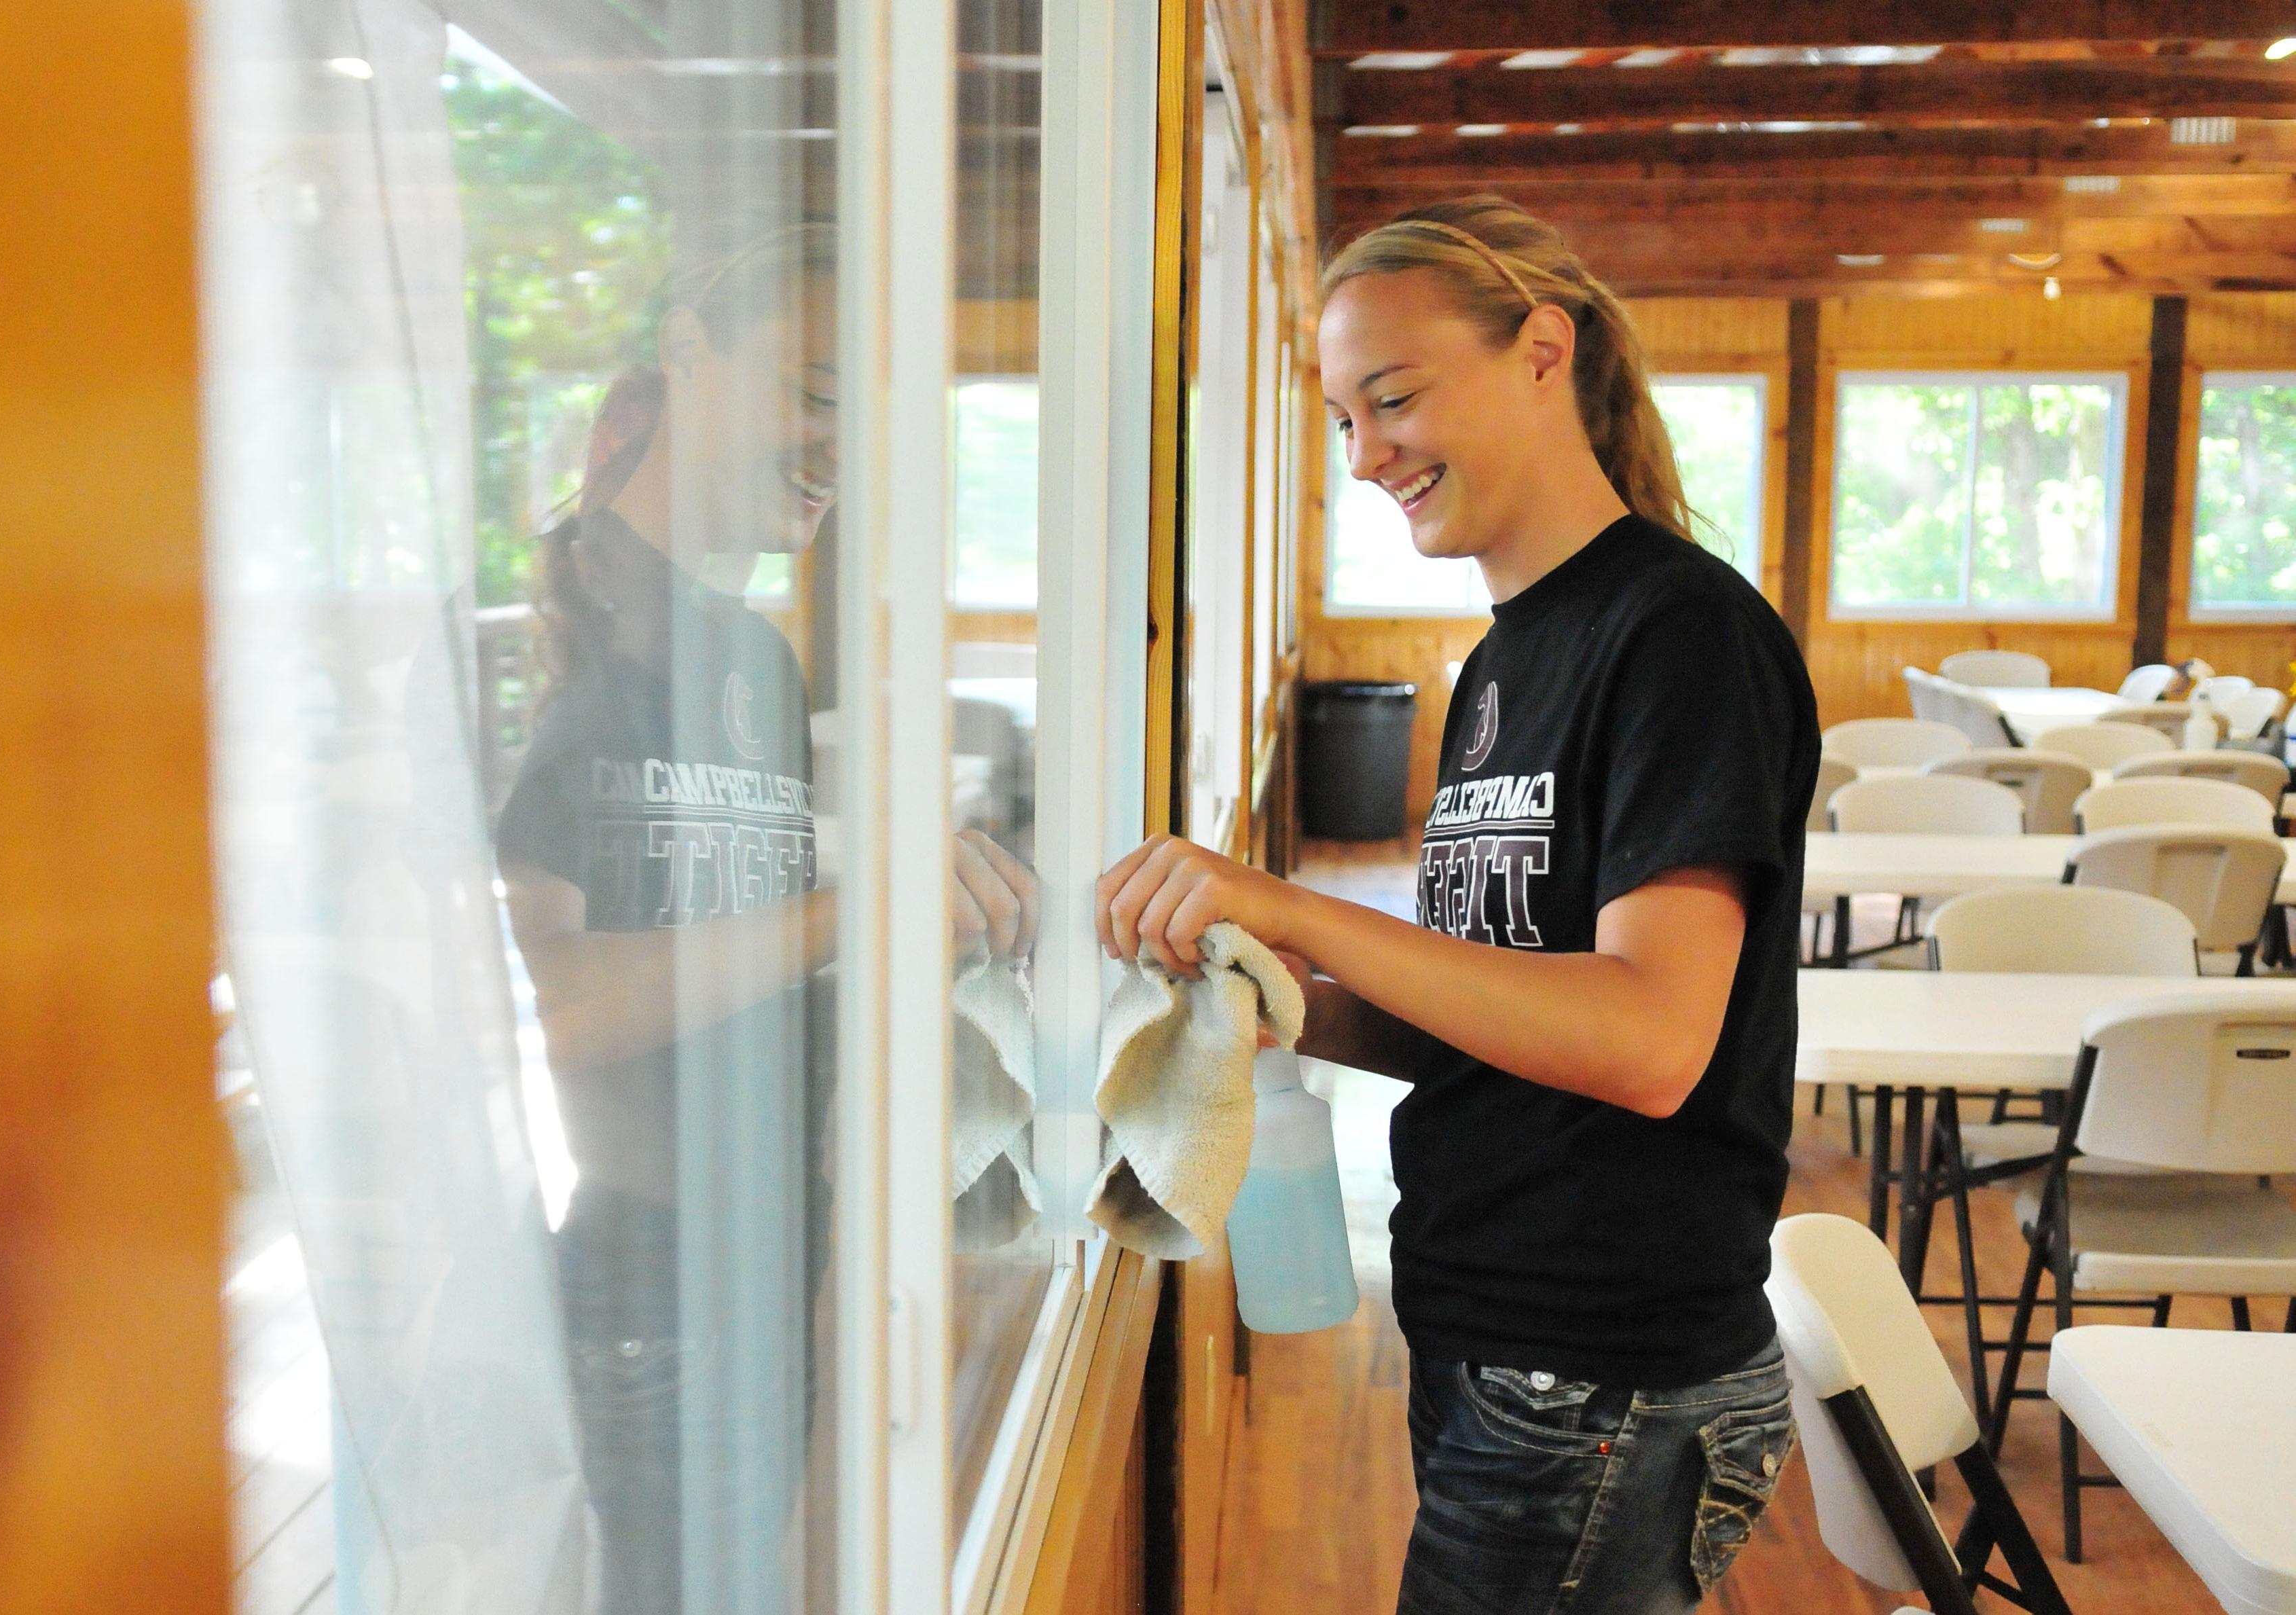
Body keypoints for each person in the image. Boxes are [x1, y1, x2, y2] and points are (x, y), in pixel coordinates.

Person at [1096, 196, 1819, 1615]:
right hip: (1497, 1339)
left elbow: (1648, 1040)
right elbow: (1492, 1011)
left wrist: (1294, 906)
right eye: (1341, 419)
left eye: (1395, 398)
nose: (1364, 456)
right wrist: (1274, 1000)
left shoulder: (1679, 634)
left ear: (1542, 352)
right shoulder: (1504, 661)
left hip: (1604, 1371)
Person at [496, 223, 1038, 1613]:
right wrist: (851, 906)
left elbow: (731, 955)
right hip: (642, 1300)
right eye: (812, 386)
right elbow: (543, 1004)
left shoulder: (747, 647)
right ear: (688, 349)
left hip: (765, 1262)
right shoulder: (546, 637)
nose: (835, 444)